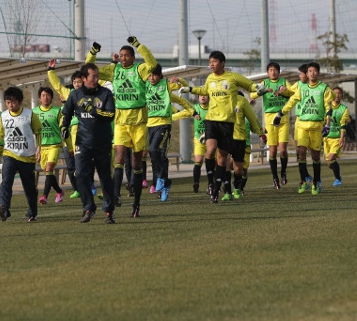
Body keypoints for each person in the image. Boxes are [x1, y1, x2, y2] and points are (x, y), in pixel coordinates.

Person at [87, 36, 157, 218]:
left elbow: (152, 62)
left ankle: (136, 204)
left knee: (136, 162)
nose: (123, 58)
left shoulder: (140, 69)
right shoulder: (114, 69)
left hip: (139, 123)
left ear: (133, 57)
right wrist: (93, 53)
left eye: (127, 55)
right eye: (122, 55)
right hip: (121, 122)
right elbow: (90, 69)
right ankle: (115, 194)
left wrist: (138, 45)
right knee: (119, 156)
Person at [180, 50, 263, 203]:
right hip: (211, 120)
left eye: (214, 61)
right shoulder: (210, 78)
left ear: (222, 63)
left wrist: (258, 88)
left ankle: (217, 190)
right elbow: (204, 90)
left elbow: (249, 85)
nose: (211, 64)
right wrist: (189, 89)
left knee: (222, 159)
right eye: (210, 61)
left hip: (227, 123)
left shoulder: (232, 77)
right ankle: (211, 183)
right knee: (210, 150)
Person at [61, 63, 117, 224]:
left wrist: (93, 110)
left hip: (103, 143)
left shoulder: (105, 93)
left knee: (105, 178)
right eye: (93, 76)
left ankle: (108, 211)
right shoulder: (75, 95)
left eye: (97, 76)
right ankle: (88, 207)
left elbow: (110, 114)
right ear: (84, 78)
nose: (96, 79)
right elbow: (67, 112)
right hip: (82, 143)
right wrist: (64, 126)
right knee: (81, 176)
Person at [274, 61, 334, 196]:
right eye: (310, 71)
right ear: (307, 74)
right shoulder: (302, 88)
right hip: (302, 125)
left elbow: (329, 107)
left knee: (315, 156)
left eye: (315, 71)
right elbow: (292, 101)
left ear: (318, 73)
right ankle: (304, 180)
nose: (312, 73)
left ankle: (317, 181)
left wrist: (328, 124)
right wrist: (280, 114)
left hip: (316, 126)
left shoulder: (324, 89)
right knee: (300, 151)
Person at [0, 86, 42, 222]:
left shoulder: (29, 115)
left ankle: (32, 211)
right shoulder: (3, 116)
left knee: (29, 188)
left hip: (27, 156)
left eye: (13, 102)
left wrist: (39, 148)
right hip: (9, 154)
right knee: (6, 182)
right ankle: (3, 207)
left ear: (20, 101)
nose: (10, 105)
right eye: (8, 102)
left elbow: (38, 132)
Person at [146, 64, 194, 202]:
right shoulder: (145, 86)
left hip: (163, 125)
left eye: (154, 75)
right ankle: (165, 183)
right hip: (150, 125)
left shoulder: (165, 85)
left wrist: (178, 79)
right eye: (149, 75)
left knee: (155, 151)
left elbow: (183, 87)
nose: (151, 78)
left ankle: (160, 179)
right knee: (155, 154)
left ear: (160, 75)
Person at [250, 61, 294, 190]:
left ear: (279, 72)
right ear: (267, 72)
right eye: (270, 70)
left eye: (275, 69)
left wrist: (284, 92)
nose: (273, 72)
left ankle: (283, 172)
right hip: (269, 121)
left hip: (283, 119)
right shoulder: (264, 83)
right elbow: (252, 94)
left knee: (283, 150)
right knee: (273, 151)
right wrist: (262, 92)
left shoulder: (284, 82)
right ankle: (275, 178)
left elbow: (293, 93)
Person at [47, 60, 85, 198]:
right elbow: (57, 85)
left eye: (79, 81)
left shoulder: (92, 92)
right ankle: (82, 185)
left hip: (90, 129)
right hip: (75, 130)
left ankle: (90, 184)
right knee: (77, 158)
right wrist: (51, 70)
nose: (77, 84)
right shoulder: (70, 94)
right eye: (74, 82)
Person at [228, 91, 265, 200]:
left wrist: (261, 132)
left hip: (246, 146)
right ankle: (230, 186)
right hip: (233, 143)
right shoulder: (231, 115)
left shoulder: (248, 117)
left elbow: (254, 126)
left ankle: (240, 187)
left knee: (243, 170)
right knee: (229, 165)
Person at [33, 87, 65, 205]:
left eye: (48, 95)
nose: (45, 97)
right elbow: (35, 131)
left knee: (49, 168)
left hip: (54, 145)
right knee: (48, 173)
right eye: (43, 95)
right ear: (39, 98)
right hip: (42, 146)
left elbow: (63, 126)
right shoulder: (34, 112)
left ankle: (44, 196)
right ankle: (59, 191)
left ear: (51, 97)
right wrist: (38, 148)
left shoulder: (57, 111)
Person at [324, 86, 349, 187]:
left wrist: (342, 138)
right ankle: (337, 171)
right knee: (329, 162)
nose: (337, 95)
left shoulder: (344, 109)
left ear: (342, 95)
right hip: (326, 138)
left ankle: (338, 178)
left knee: (331, 158)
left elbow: (343, 124)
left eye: (339, 93)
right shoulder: (326, 107)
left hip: (337, 138)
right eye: (335, 93)